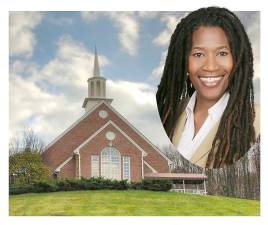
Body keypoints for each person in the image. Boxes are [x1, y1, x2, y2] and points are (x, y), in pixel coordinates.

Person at [156, 7, 260, 168]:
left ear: (237, 59)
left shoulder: (259, 120)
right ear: (184, 61)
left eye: (222, 53)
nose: (210, 67)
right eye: (198, 54)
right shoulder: (168, 114)